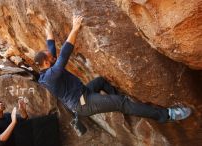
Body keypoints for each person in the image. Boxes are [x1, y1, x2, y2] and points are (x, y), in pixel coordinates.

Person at [34, 15, 192, 124]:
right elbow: (63, 56)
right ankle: (167, 115)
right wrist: (74, 29)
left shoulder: (47, 68)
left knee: (101, 81)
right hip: (83, 104)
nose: (53, 57)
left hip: (83, 93)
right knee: (121, 103)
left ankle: (122, 105)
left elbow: (51, 50)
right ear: (46, 64)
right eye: (51, 59)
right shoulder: (50, 77)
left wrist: (48, 30)